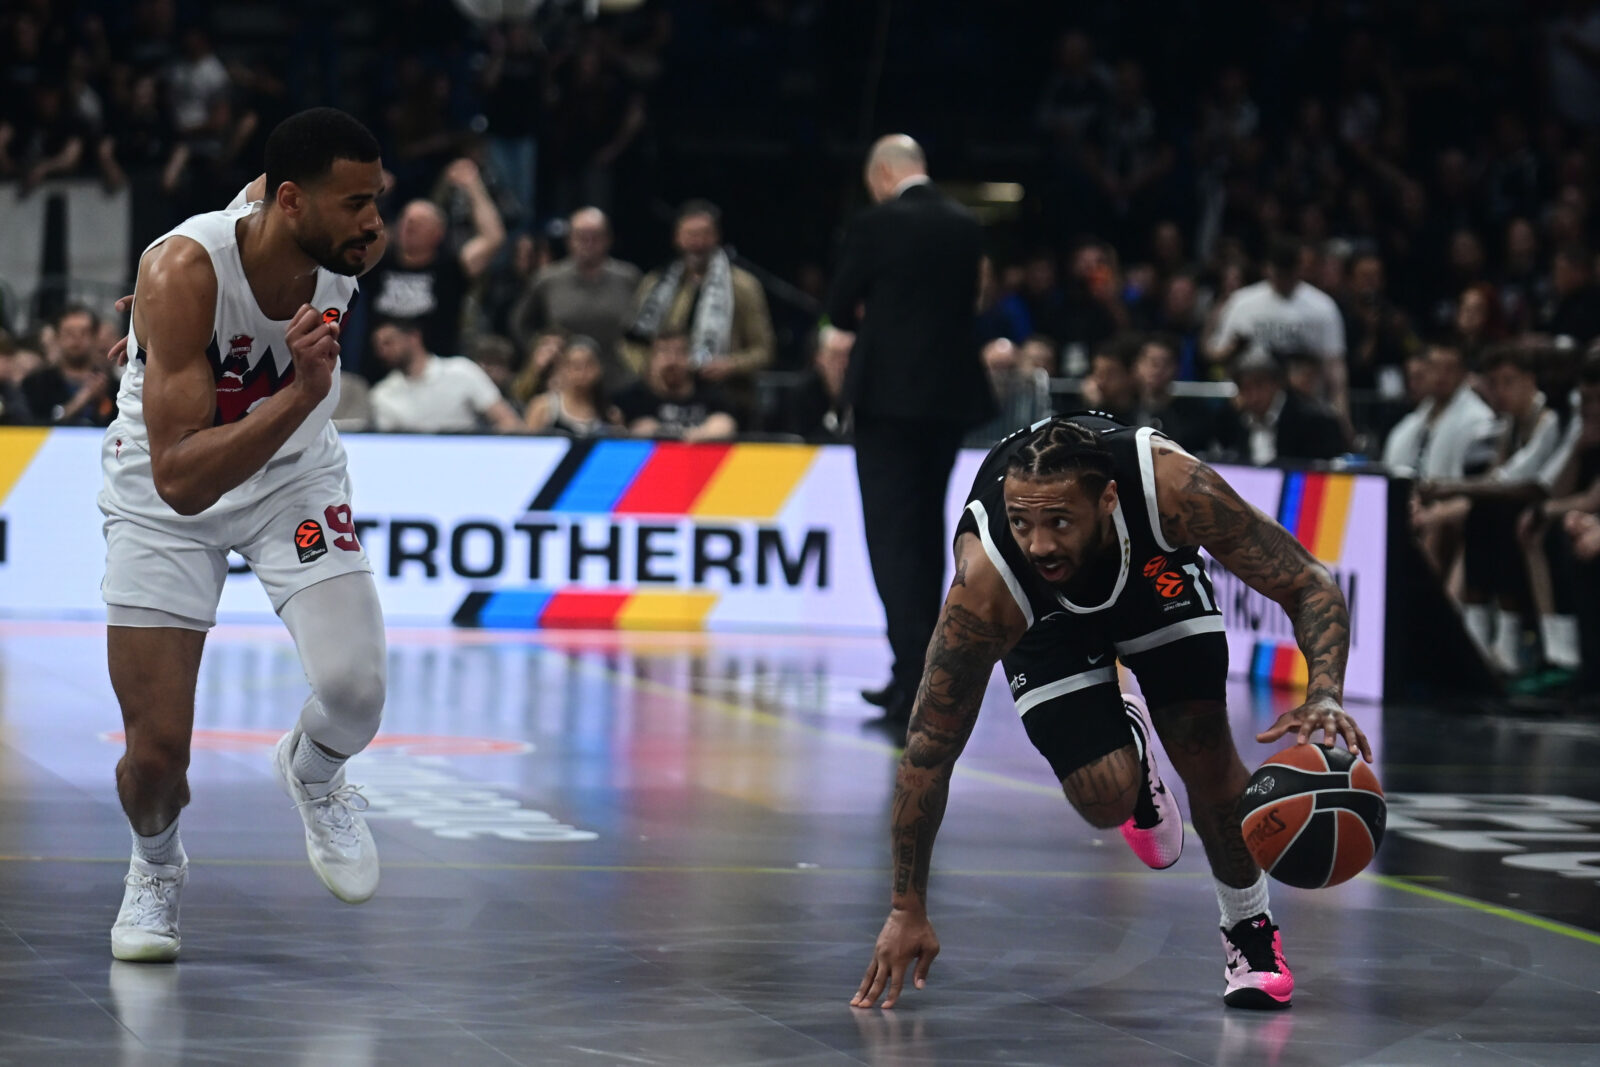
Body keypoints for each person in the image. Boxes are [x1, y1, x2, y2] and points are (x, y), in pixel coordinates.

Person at [851, 414, 1369, 1012]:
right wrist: (905, 908)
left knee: (1204, 750)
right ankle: (1131, 750)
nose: (1040, 543)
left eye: (1059, 522)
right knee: (1105, 800)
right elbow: (927, 751)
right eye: (1022, 522)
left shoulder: (1172, 489)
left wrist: (1325, 691)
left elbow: (1306, 582)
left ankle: (1250, 932)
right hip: (1044, 619)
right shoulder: (990, 581)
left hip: (1153, 578)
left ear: (1108, 499)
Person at [100, 108, 390, 962]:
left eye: (378, 200)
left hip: (291, 477)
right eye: (358, 204)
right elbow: (182, 481)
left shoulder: (313, 226)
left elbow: (260, 188)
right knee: (155, 761)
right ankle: (155, 866)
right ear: (297, 204)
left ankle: (314, 768)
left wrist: (288, 404)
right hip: (165, 488)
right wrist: (295, 391)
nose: (374, 223)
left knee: (357, 693)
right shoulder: (184, 270)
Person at [827, 134, 996, 726]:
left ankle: (911, 682)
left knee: (895, 542)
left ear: (882, 174)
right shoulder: (965, 225)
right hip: (948, 401)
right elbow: (973, 300)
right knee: (927, 533)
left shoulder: (877, 223)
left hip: (889, 403)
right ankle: (923, 675)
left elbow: (841, 302)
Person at [358, 158, 505, 371]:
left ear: (438, 233)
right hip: (378, 374)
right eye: (406, 220)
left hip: (436, 376)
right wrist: (371, 194)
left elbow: (493, 238)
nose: (409, 226)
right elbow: (350, 237)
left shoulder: (450, 266)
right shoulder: (379, 260)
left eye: (419, 222)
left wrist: (473, 186)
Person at [1206, 237, 1347, 415]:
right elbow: (1216, 353)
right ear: (1268, 268)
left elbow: (1334, 367)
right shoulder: (1242, 302)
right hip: (1247, 401)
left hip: (1303, 405)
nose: (1282, 280)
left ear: (1298, 269)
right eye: (1278, 273)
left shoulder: (1322, 307)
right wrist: (1233, 349)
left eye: (1288, 273)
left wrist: (1342, 414)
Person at [510, 207, 641, 388]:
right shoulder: (547, 279)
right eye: (581, 236)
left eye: (595, 236)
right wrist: (540, 348)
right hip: (563, 380)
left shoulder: (629, 278)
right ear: (569, 239)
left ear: (608, 239)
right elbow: (520, 323)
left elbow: (647, 325)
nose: (588, 242)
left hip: (618, 379)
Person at [367, 316, 524, 434]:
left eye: (389, 342)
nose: (382, 351)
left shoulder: (462, 371)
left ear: (413, 337)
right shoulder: (382, 394)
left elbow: (508, 421)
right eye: (378, 346)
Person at [1211, 348, 1345, 465]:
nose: (1254, 396)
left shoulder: (1313, 421)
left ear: (1277, 384)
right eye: (1246, 388)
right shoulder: (1231, 420)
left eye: (1259, 386)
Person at [613, 329, 737, 440]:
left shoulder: (713, 396)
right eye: (664, 352)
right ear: (651, 359)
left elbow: (726, 424)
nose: (672, 360)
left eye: (680, 352)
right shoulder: (630, 399)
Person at [21, 304, 117, 426]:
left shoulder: (112, 385)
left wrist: (102, 402)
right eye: (69, 333)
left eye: (84, 333)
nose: (76, 340)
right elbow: (32, 426)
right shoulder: (36, 383)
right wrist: (82, 398)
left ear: (95, 337)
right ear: (57, 337)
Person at [523, 335, 620, 436]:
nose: (582, 373)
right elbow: (528, 446)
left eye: (588, 365)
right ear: (562, 368)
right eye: (576, 366)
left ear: (599, 368)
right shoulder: (543, 408)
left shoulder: (611, 415)